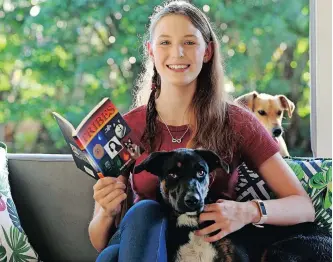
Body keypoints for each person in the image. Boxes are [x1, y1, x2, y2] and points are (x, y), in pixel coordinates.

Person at [88, 1, 316, 261]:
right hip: (144, 242)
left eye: (189, 42)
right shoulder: (125, 129)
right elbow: (99, 241)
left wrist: (248, 211)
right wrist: (106, 211)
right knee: (141, 217)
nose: (178, 53)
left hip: (207, 248)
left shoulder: (236, 122)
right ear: (150, 51)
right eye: (164, 43)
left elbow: (303, 207)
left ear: (207, 52)